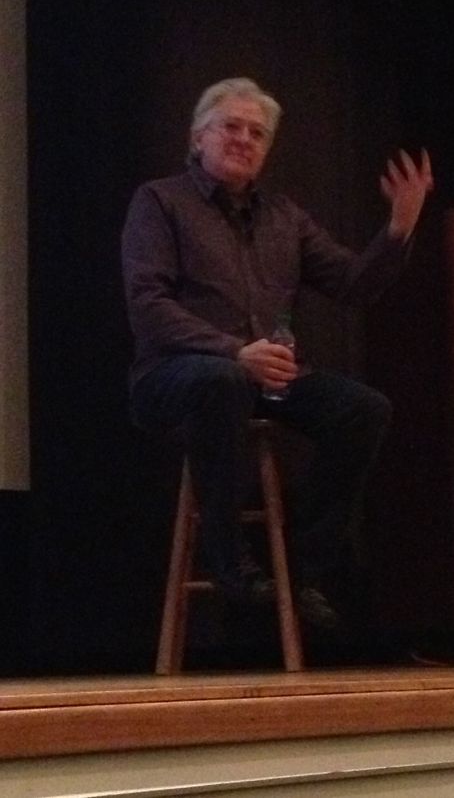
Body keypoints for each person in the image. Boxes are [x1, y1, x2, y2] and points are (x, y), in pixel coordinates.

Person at [121, 77, 433, 629]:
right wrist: (236, 351)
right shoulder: (160, 201)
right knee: (223, 379)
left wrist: (398, 230)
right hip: (172, 373)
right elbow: (149, 306)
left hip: (266, 375)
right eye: (231, 127)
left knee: (364, 410)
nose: (244, 139)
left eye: (257, 133)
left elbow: (352, 285)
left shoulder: (285, 217)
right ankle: (230, 566)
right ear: (197, 137)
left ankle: (301, 568)